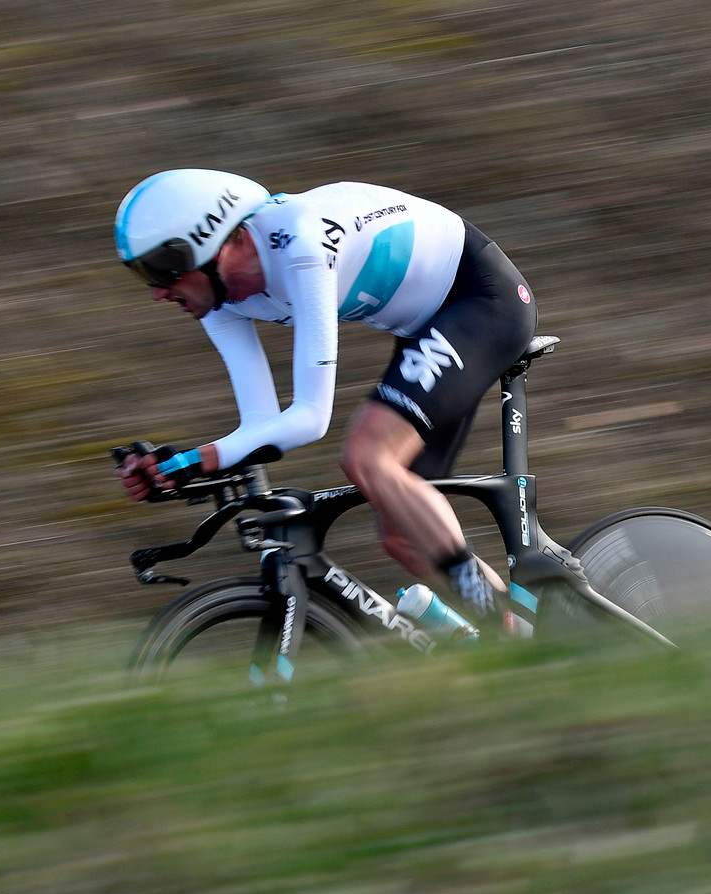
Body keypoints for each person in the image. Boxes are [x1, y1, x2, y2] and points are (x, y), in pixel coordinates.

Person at [112, 169, 537, 633]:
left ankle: (497, 620)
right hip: (426, 328)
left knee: (368, 456)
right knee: (401, 533)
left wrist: (198, 461)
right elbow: (260, 423)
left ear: (205, 240)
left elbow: (311, 418)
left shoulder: (300, 245)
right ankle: (517, 634)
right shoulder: (218, 298)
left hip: (481, 298)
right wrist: (176, 466)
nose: (155, 293)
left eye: (157, 270)